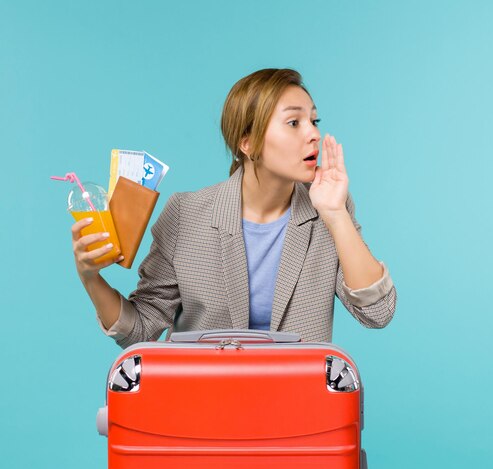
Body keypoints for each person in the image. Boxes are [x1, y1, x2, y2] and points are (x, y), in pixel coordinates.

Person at [71, 68, 396, 348]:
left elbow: (377, 313)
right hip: (206, 405)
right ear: (248, 142)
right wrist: (90, 278)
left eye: (314, 120)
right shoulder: (185, 215)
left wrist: (337, 216)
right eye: (294, 122)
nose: (314, 133)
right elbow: (140, 329)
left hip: (298, 409)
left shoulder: (329, 208)